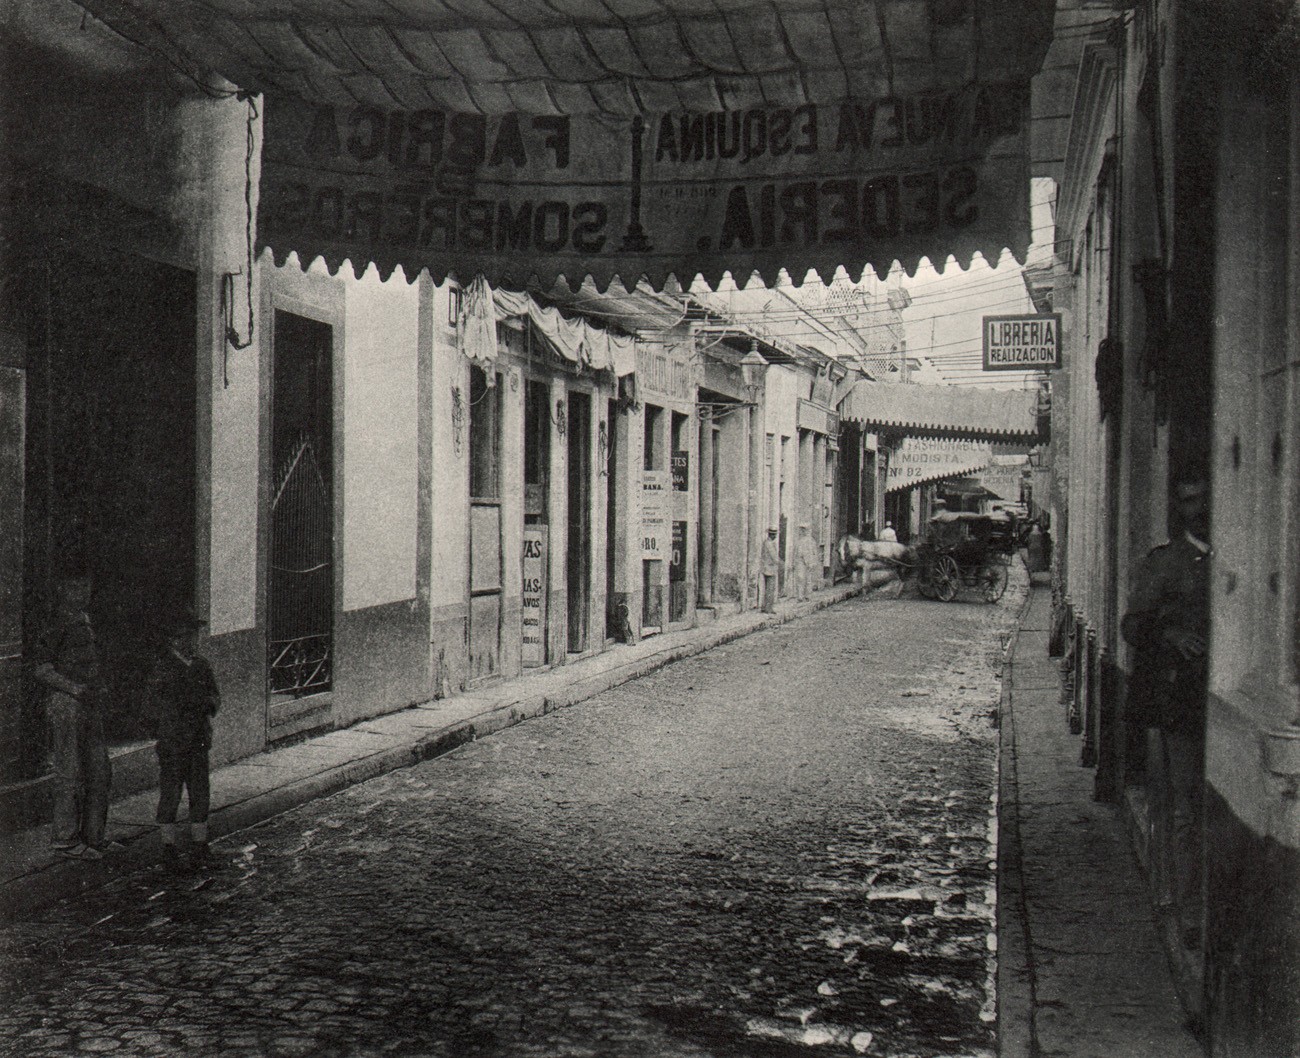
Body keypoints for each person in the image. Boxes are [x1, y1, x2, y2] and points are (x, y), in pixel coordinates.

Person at [1121, 476, 1210, 949]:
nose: (1199, 508)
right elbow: (1132, 625)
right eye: (1190, 500)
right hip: (1182, 699)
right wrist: (1170, 635)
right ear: (1181, 509)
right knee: (1184, 807)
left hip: (1221, 695)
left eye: (1204, 499)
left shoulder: (1235, 560)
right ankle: (1186, 908)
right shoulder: (1166, 562)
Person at [33, 576, 112, 861]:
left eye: (86, 586)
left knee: (100, 771)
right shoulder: (57, 623)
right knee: (69, 771)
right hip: (66, 703)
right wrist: (74, 689)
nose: (83, 592)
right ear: (62, 589)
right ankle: (65, 840)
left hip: (90, 702)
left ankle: (94, 837)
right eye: (76, 586)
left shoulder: (85, 620)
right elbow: (41, 669)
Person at [145, 610, 221, 871]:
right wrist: (175, 716)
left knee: (200, 792)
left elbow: (214, 696)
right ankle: (168, 846)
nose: (189, 641)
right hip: (173, 741)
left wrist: (208, 704)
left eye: (192, 636)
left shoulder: (201, 665)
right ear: (172, 640)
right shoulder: (163, 668)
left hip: (199, 739)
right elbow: (153, 705)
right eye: (183, 637)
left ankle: (200, 844)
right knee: (171, 792)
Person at [792, 524, 821, 601]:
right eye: (802, 530)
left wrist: (813, 562)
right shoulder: (799, 541)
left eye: (805, 530)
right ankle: (800, 596)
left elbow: (815, 553)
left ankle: (807, 596)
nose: (803, 531)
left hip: (809, 562)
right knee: (800, 578)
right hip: (800, 562)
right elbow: (796, 552)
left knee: (808, 579)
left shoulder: (811, 541)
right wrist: (794, 562)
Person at [760, 527, 781, 613]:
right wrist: (781, 563)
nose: (775, 536)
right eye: (774, 534)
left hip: (767, 568)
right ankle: (768, 608)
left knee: (768, 588)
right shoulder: (769, 544)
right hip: (769, 569)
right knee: (770, 589)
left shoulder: (767, 542)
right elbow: (774, 557)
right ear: (771, 534)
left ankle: (765, 606)